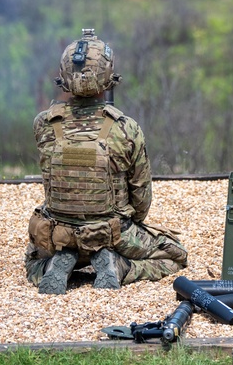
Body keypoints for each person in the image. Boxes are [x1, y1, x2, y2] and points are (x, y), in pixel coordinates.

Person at [25, 28, 187, 294]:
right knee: (176, 255)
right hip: (111, 233)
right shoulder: (126, 128)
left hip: (58, 234)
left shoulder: (44, 123)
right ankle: (120, 266)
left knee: (32, 261)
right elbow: (141, 200)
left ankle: (58, 263)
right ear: (109, 78)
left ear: (64, 77)